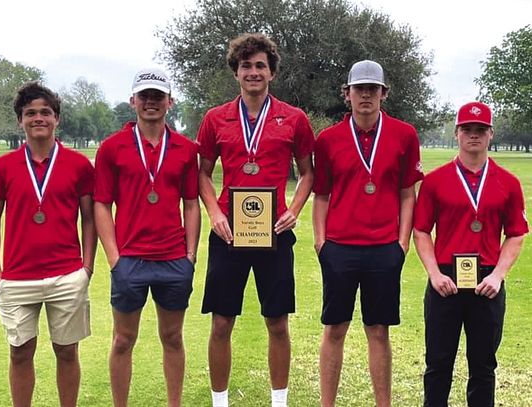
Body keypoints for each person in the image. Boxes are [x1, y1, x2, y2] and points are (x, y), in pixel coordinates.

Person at [197, 33, 315, 407]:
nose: (253, 72)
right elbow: (202, 172)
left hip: (274, 234)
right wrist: (214, 212)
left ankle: (278, 401)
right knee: (221, 322)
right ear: (236, 72)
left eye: (260, 66)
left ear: (271, 72)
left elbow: (308, 172)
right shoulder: (216, 118)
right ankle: (220, 402)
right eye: (246, 66)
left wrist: (294, 210)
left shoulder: (293, 118)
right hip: (229, 232)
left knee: (277, 323)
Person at [313, 60, 424, 407]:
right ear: (346, 94)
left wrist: (401, 244)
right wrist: (321, 244)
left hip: (383, 250)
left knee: (378, 331)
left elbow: (408, 193)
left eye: (372, 89)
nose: (365, 95)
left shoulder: (405, 135)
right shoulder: (328, 139)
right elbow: (321, 196)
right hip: (340, 248)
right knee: (335, 329)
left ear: (383, 94)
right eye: (358, 89)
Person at [94, 68, 200, 407]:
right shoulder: (112, 148)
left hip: (172, 259)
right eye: (145, 96)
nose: (151, 102)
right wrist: (114, 259)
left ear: (170, 102)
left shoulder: (186, 148)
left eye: (158, 96)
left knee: (172, 337)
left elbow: (191, 203)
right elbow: (101, 205)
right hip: (130, 260)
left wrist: (191, 255)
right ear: (133, 101)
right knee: (123, 340)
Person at [413, 101, 528, 407]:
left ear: (491, 134)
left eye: (480, 130)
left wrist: (498, 276)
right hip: (445, 281)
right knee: (437, 364)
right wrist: (434, 274)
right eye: (467, 129)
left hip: (487, 282)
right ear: (457, 133)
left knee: (483, 366)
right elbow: (421, 231)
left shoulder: (509, 183)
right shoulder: (435, 181)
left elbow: (516, 234)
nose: (473, 135)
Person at [0, 82, 96, 407]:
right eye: (30, 113)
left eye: (45, 112)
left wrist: (87, 267)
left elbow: (90, 219)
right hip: (17, 277)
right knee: (20, 352)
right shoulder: (3, 167)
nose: (39, 118)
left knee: (67, 351)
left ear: (57, 119)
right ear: (20, 120)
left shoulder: (79, 165)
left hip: (66, 274)